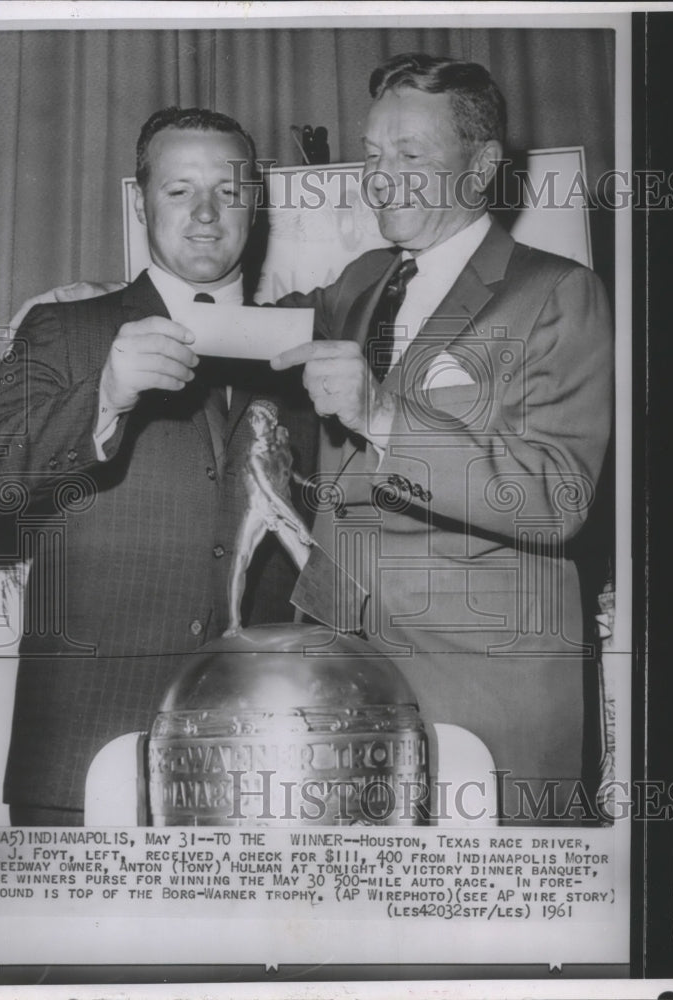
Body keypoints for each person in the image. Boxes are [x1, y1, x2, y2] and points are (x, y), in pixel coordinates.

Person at [270, 54, 613, 822]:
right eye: (373, 153)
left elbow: (555, 497)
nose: (380, 176)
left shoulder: (557, 293)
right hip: (343, 673)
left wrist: (383, 417)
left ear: (483, 165)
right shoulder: (361, 279)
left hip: (484, 691)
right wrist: (127, 306)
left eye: (410, 155)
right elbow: (266, 331)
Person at [0, 107, 314, 825]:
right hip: (85, 755)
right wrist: (104, 395)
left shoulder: (304, 348)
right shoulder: (65, 328)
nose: (207, 215)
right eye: (179, 190)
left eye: (228, 190)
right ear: (139, 202)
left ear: (256, 202)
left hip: (257, 759)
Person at [224, 399, 313, 637]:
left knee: (307, 562)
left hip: (280, 507)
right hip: (259, 508)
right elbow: (271, 494)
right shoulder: (253, 454)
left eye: (259, 417)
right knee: (241, 560)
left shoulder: (281, 444)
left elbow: (286, 470)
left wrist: (305, 482)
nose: (253, 422)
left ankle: (310, 619)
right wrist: (300, 524)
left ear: (273, 421)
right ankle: (234, 622)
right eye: (250, 417)